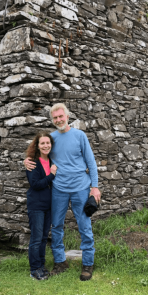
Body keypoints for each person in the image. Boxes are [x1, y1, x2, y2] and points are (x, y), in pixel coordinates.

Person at [24, 103, 101, 281]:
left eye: (61, 116)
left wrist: (94, 187)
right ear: (52, 120)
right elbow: (37, 151)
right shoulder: (50, 138)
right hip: (58, 189)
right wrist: (26, 160)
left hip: (81, 188)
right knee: (56, 227)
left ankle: (87, 263)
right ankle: (60, 262)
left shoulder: (79, 135)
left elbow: (91, 162)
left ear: (67, 116)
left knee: (84, 226)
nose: (58, 120)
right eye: (55, 118)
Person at [25, 132, 58, 280]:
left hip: (49, 205)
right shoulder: (32, 161)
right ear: (37, 145)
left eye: (48, 143)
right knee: (36, 238)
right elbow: (35, 184)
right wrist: (51, 175)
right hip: (36, 205)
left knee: (44, 237)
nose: (46, 145)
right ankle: (34, 269)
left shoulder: (52, 160)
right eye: (42, 143)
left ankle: (41, 266)